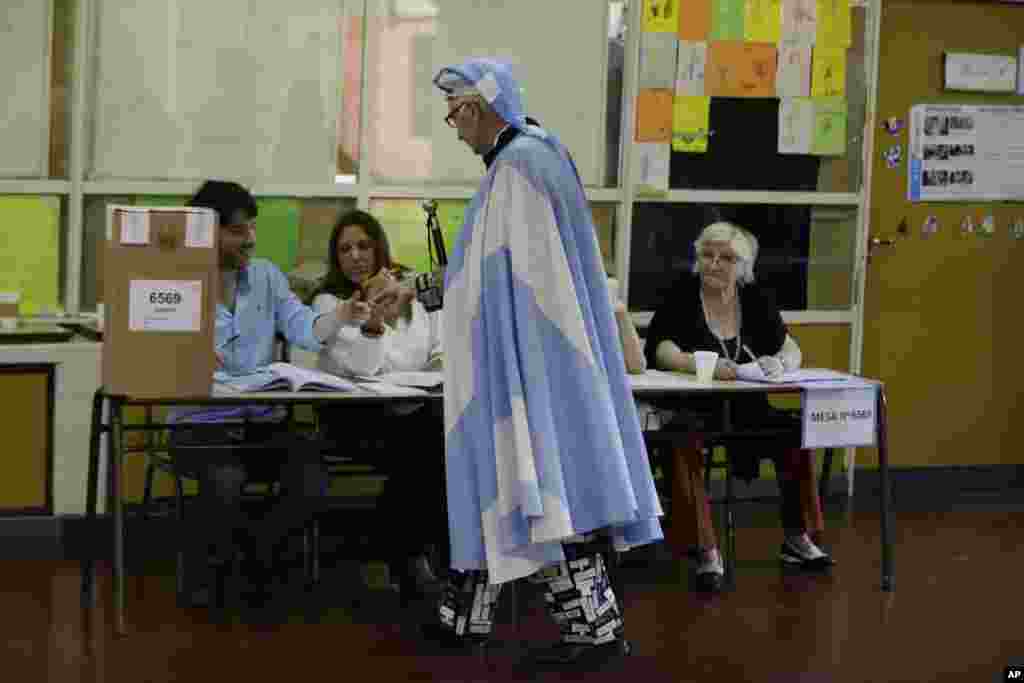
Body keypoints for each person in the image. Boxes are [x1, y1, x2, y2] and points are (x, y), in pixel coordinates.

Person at [373, 58, 663, 669]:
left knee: (538, 493)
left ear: (475, 107)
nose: (453, 127)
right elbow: (488, 267)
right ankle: (467, 618)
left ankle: (596, 632)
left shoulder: (519, 166)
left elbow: (493, 275)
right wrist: (422, 288)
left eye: (453, 113)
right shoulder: (534, 158)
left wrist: (425, 290)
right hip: (540, 360)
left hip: (533, 366)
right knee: (507, 486)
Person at [169, 180, 372, 608]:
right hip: (200, 426)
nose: (252, 239)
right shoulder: (173, 284)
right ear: (210, 232)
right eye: (240, 231)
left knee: (310, 475)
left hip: (261, 423)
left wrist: (341, 315)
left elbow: (304, 329)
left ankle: (259, 560)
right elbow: (151, 352)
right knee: (226, 481)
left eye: (253, 228)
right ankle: (222, 577)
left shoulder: (266, 276)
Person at [643, 221, 833, 594]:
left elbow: (789, 347)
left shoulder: (756, 297)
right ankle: (705, 549)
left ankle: (797, 537)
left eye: (726, 257)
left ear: (743, 266)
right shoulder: (680, 294)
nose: (714, 263)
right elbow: (660, 348)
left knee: (795, 432)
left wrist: (782, 365)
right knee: (681, 439)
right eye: (707, 255)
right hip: (694, 407)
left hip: (748, 407)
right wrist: (699, 364)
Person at [311, 209, 446, 600]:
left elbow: (438, 351)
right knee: (424, 447)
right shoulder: (329, 303)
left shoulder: (412, 297)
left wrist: (439, 371)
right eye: (345, 249)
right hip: (353, 417)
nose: (355, 256)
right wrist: (374, 321)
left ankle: (416, 555)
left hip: (415, 409)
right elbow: (363, 368)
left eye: (364, 246)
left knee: (440, 438)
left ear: (379, 249)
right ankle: (411, 556)